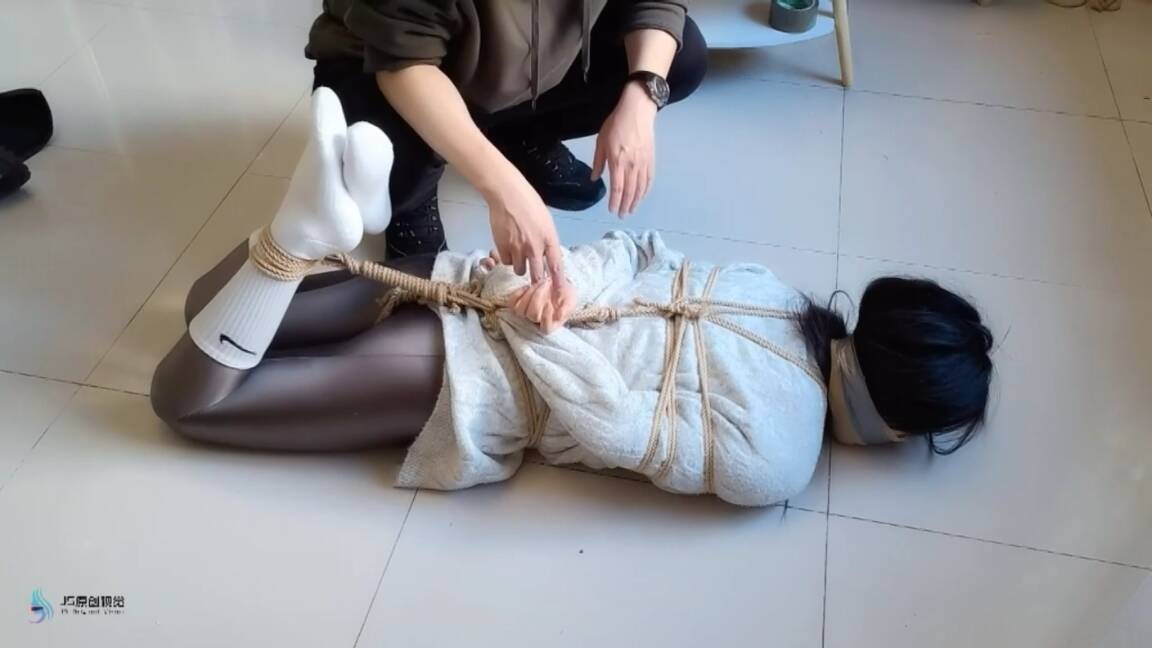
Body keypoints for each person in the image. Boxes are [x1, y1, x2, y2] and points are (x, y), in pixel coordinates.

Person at [151, 91, 994, 507]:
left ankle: (308, 232)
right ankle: (302, 235)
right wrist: (538, 321)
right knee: (189, 401)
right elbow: (618, 428)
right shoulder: (781, 459)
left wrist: (546, 283)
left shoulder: (772, 292)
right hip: (475, 378)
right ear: (899, 425)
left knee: (206, 311)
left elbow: (636, 251)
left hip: (467, 275)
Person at [305, 0, 707, 280]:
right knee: (381, 150)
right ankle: (412, 202)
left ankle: (519, 134)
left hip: (513, 56)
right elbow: (402, 63)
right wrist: (503, 188)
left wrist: (643, 91)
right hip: (385, 61)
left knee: (681, 56)